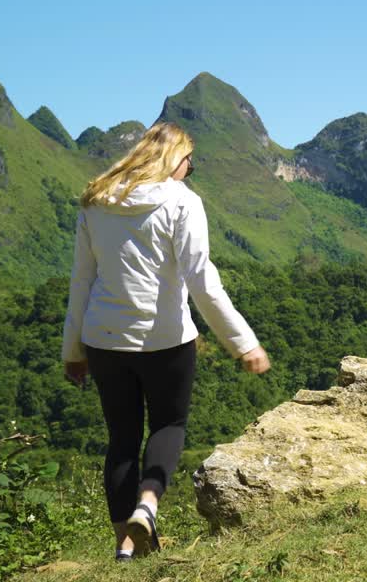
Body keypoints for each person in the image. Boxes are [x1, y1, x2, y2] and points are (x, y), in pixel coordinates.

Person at [61, 122, 271, 561]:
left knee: (121, 438)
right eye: (189, 162)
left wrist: (73, 350)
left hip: (104, 339)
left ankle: (125, 547)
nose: (189, 169)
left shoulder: (96, 202)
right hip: (166, 340)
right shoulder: (181, 202)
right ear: (175, 159)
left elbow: (81, 281)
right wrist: (243, 343)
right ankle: (148, 504)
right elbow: (202, 282)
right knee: (168, 426)